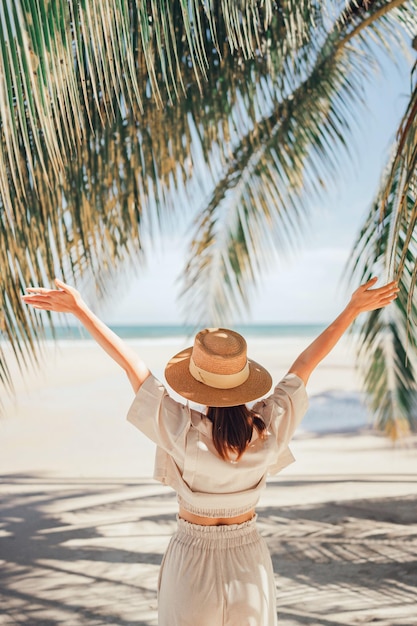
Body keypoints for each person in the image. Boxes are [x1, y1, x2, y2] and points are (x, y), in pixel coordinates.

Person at [22, 276, 398, 625]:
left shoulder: (181, 429)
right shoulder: (267, 427)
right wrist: (351, 310)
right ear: (245, 381)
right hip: (248, 557)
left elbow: (131, 366)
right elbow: (305, 365)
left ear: (196, 382)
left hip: (192, 558)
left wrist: (80, 309)